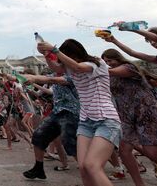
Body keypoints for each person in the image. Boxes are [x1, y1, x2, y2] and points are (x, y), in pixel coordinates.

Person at [37, 39, 121, 186]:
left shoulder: (96, 63)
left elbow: (77, 67)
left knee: (92, 166)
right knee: (82, 167)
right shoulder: (71, 69)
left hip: (106, 119)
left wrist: (55, 50)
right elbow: (57, 68)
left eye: (67, 56)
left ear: (76, 54)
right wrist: (46, 54)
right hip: (85, 121)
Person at [101, 48, 157, 185]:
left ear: (118, 58)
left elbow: (112, 72)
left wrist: (93, 67)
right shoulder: (110, 75)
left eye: (110, 60)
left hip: (145, 113)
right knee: (124, 151)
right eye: (105, 62)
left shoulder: (129, 67)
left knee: (154, 154)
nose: (109, 63)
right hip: (126, 116)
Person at [21, 71, 79, 180]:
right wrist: (18, 78)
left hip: (71, 112)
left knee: (69, 143)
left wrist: (33, 80)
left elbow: (49, 81)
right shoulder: (54, 76)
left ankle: (89, 169)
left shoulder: (72, 74)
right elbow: (46, 89)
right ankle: (38, 169)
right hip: (57, 112)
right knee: (38, 135)